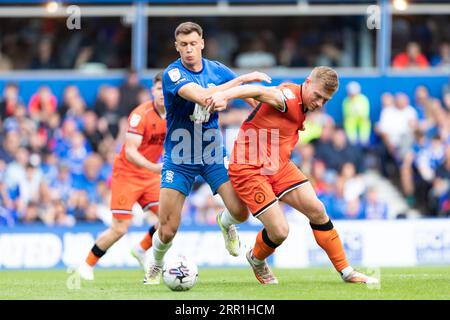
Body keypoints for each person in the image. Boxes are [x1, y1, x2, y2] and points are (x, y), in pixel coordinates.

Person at [206, 66, 378, 285]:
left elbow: (262, 105)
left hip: (278, 165)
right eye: (317, 96)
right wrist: (224, 96)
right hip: (249, 168)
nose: (319, 103)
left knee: (317, 210)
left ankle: (347, 272)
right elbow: (256, 91)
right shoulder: (286, 98)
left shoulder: (302, 103)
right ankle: (256, 259)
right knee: (279, 231)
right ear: (307, 83)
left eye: (325, 100)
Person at [144, 21, 271, 285]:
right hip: (180, 156)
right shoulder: (173, 74)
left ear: (201, 43)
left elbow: (247, 96)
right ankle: (156, 261)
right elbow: (203, 97)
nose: (189, 50)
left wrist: (260, 112)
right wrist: (242, 79)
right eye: (183, 45)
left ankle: (225, 224)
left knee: (240, 211)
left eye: (193, 44)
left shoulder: (217, 69)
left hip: (213, 152)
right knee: (168, 229)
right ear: (176, 47)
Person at [77, 72, 167, 280]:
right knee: (120, 228)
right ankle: (87, 264)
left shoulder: (175, 114)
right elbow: (130, 152)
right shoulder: (140, 115)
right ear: (152, 91)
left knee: (169, 220)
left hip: (150, 174)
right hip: (127, 174)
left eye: (165, 89)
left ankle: (142, 249)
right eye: (158, 89)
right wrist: (155, 168)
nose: (162, 93)